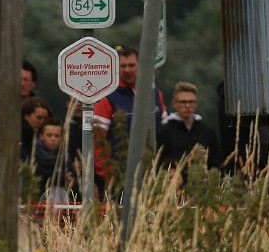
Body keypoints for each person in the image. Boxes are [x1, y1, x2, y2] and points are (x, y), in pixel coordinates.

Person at [93, 46, 166, 192]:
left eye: (131, 65)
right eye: (123, 66)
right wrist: (108, 175)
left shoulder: (155, 94)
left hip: (153, 173)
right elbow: (98, 141)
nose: (127, 70)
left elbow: (165, 132)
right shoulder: (107, 96)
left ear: (140, 66)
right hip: (120, 176)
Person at [158, 80, 221, 171]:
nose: (187, 105)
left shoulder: (207, 132)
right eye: (183, 102)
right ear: (175, 103)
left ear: (196, 103)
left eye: (191, 102)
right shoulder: (164, 132)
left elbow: (216, 162)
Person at [20, 96, 51, 161]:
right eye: (39, 118)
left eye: (45, 119)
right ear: (26, 116)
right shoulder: (20, 136)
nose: (42, 122)